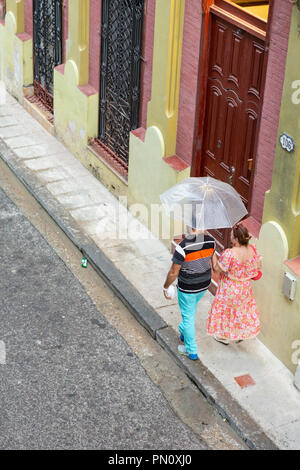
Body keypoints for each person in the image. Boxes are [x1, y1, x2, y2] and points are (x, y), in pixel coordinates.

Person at [163, 227, 215, 360]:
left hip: (188, 288)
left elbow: (173, 272)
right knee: (190, 312)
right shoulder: (211, 242)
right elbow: (214, 266)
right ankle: (183, 331)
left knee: (188, 318)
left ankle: (191, 350)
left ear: (190, 227)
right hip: (204, 285)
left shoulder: (183, 247)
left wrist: (166, 287)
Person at [207, 224, 262, 345]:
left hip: (230, 287)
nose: (231, 238)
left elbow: (217, 270)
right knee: (241, 311)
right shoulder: (253, 250)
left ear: (236, 239)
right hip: (245, 288)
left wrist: (213, 254)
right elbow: (257, 267)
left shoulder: (230, 254)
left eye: (232, 236)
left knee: (227, 312)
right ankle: (240, 333)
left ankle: (224, 337)